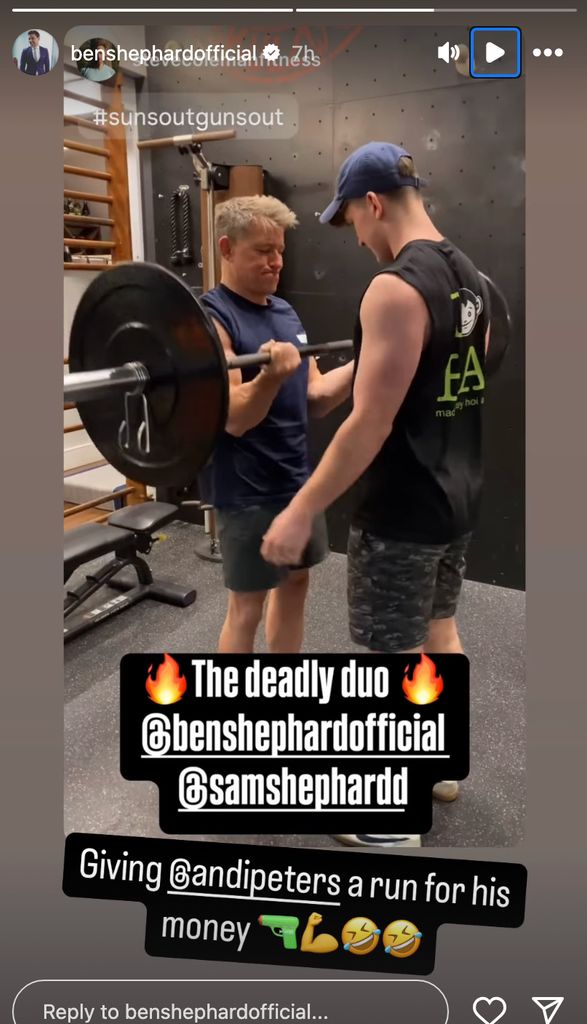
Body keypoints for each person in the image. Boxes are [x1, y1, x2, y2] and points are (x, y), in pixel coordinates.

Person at [261, 142, 491, 848]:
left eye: (351, 224)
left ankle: (388, 824)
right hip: (457, 497)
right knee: (437, 632)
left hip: (401, 509)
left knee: (388, 659)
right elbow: (417, 372)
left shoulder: (391, 288)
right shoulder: (475, 283)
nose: (356, 240)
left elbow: (371, 419)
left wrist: (301, 509)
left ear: (372, 204)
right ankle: (441, 767)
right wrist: (323, 382)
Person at [199, 195, 354, 654]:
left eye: (280, 250)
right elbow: (234, 417)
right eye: (262, 251)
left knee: (295, 585)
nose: (276, 261)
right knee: (247, 607)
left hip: (297, 482)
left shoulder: (284, 312)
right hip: (245, 490)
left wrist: (372, 358)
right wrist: (270, 376)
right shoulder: (212, 319)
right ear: (227, 249)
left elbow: (317, 398)